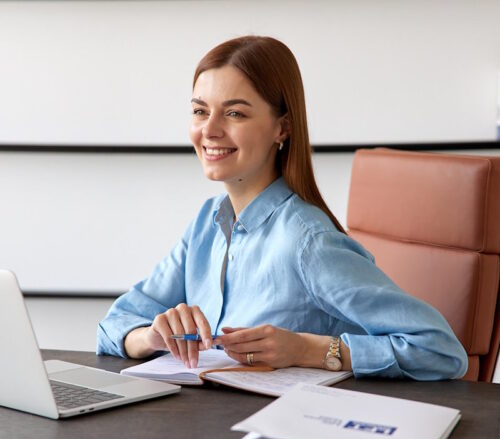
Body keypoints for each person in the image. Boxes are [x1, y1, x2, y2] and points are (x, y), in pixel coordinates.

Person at [97, 35, 468, 380]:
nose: (209, 130)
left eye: (235, 114)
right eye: (199, 111)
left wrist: (307, 349)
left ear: (282, 128)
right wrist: (151, 337)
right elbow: (114, 325)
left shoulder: (307, 243)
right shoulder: (208, 224)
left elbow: (441, 350)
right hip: (208, 429)